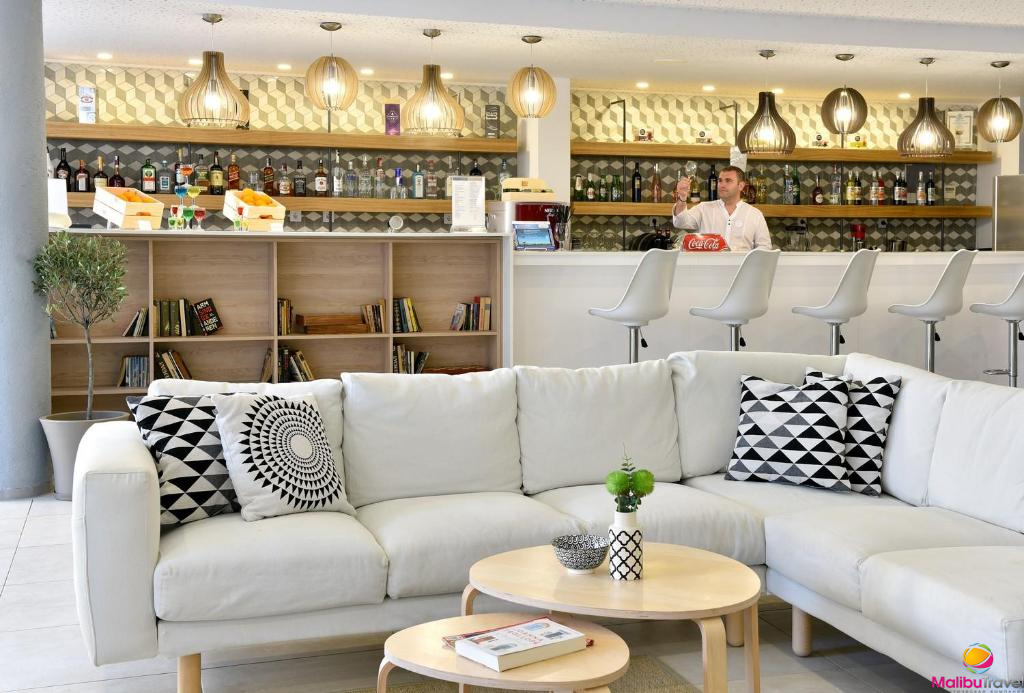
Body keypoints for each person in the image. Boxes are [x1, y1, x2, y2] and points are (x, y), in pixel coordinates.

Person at [672, 166, 772, 251]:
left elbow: (765, 248)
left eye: (728, 181)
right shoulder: (703, 208)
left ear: (741, 186)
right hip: (708, 267)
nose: (722, 185)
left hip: (741, 268)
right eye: (720, 181)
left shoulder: (755, 214)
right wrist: (682, 197)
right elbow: (680, 222)